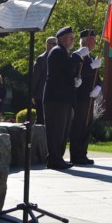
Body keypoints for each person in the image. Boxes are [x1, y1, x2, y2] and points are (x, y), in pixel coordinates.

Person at [43, 26, 79, 170]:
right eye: (71, 37)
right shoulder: (57, 51)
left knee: (62, 131)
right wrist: (77, 56)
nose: (73, 40)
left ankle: (58, 158)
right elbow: (68, 68)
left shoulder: (64, 52)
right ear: (63, 39)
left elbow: (67, 74)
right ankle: (54, 159)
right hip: (55, 99)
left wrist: (75, 81)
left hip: (62, 98)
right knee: (56, 130)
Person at [70, 28, 103, 166]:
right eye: (92, 40)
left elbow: (97, 78)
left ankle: (83, 153)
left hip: (90, 97)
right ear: (84, 42)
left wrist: (99, 87)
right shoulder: (79, 56)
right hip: (81, 97)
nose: (95, 42)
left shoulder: (89, 57)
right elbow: (79, 72)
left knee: (87, 126)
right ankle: (76, 155)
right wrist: (91, 66)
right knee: (78, 125)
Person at [30, 37, 56, 124]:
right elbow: (35, 77)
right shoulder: (41, 59)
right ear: (48, 45)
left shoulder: (56, 58)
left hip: (52, 95)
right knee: (41, 120)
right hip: (41, 95)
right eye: (54, 44)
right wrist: (31, 93)